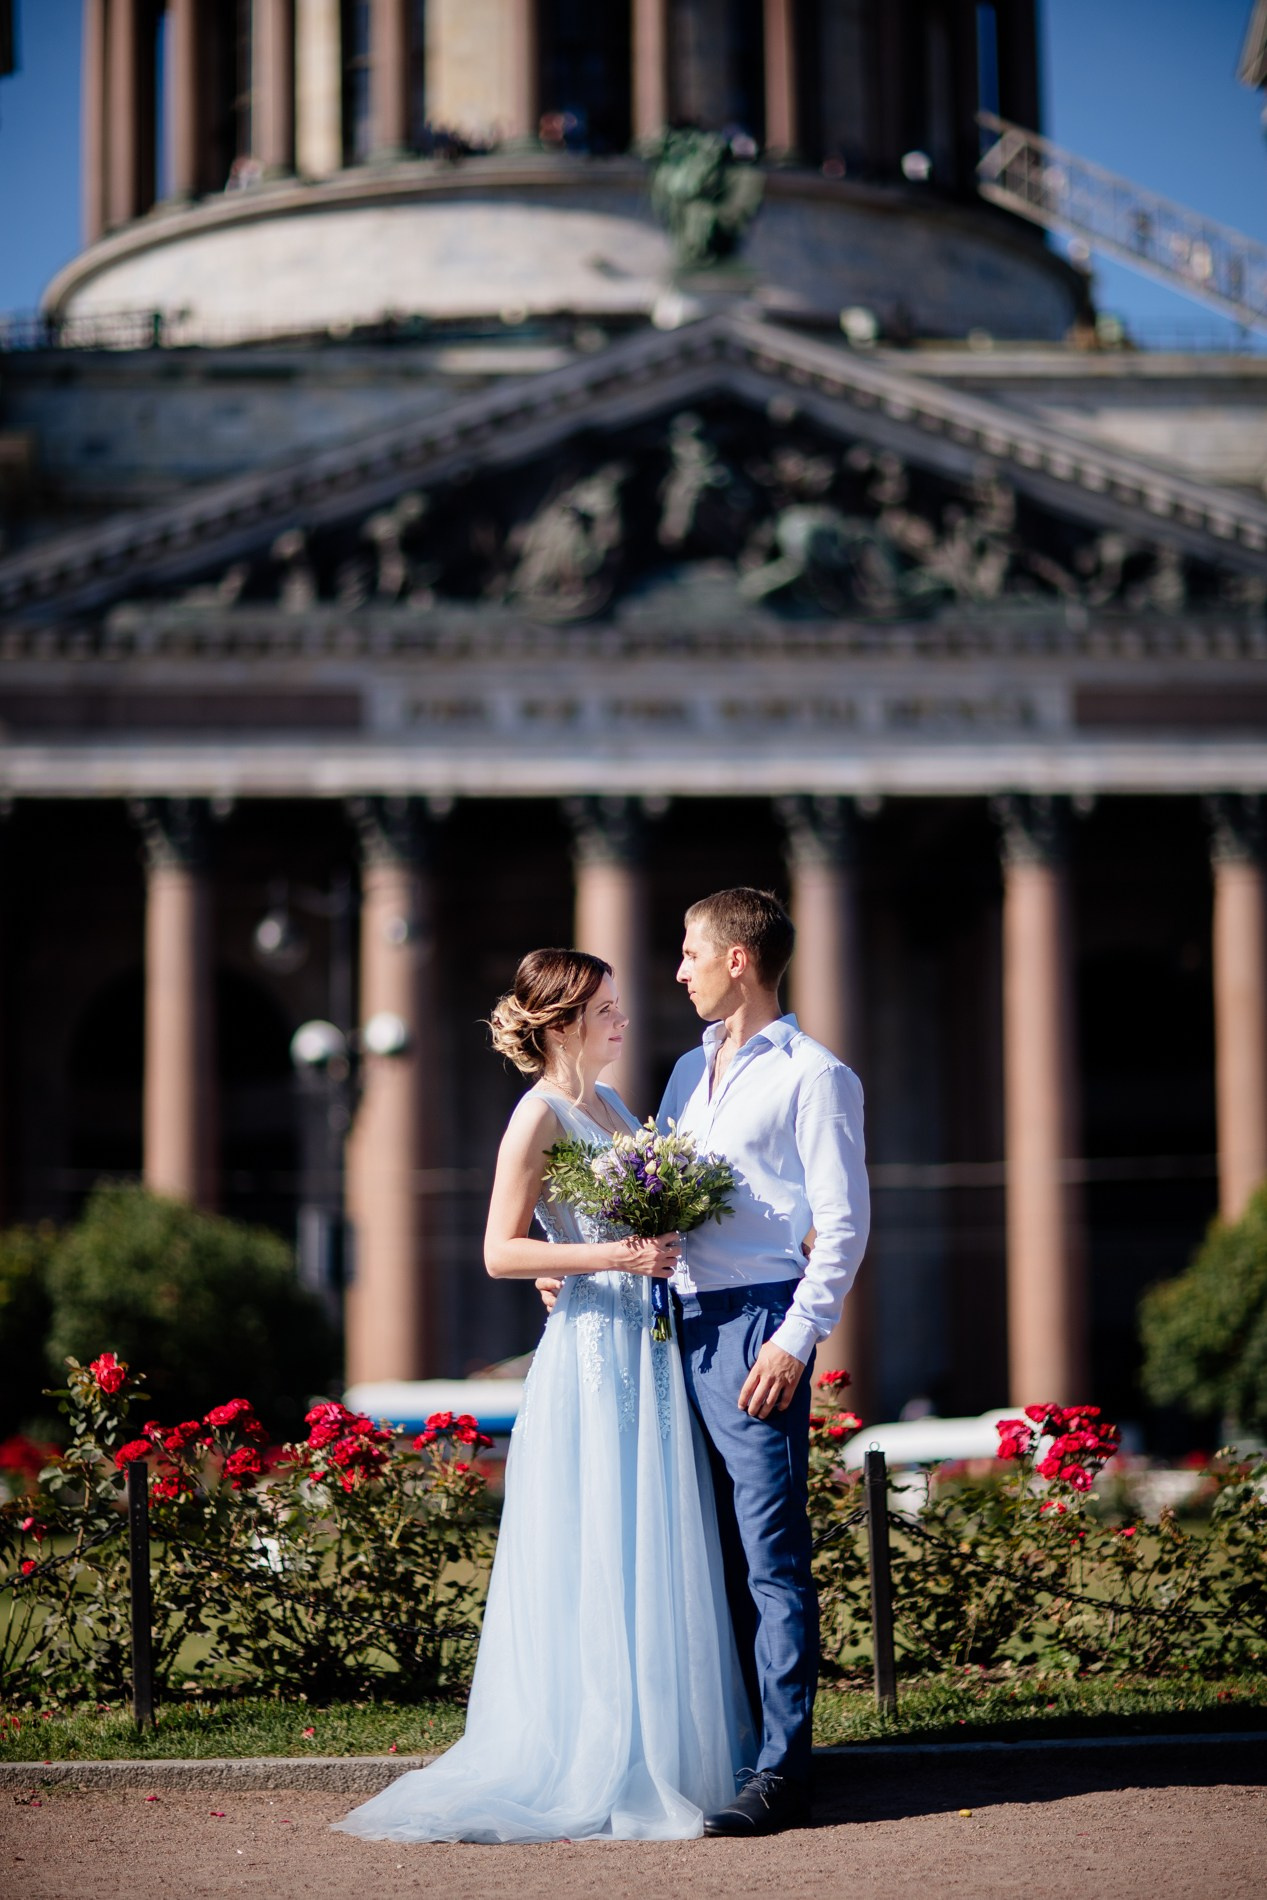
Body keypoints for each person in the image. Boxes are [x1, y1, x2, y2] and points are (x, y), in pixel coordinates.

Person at [333, 948, 751, 1846]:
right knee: (599, 1532)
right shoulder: (539, 1116)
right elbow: (499, 1249)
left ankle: (663, 1747)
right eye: (604, 1008)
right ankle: (586, 1747)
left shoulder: (616, 1108)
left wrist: (649, 1242)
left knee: (649, 1532)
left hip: (643, 1343)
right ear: (560, 1023)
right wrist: (613, 1257)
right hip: (592, 1353)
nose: (621, 1019)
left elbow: (600, 1226)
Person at [540, 888, 869, 1837]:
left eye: (688, 953)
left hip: (756, 1328)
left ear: (736, 960)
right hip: (664, 1326)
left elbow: (841, 1226)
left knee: (769, 1559)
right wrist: (572, 1265)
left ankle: (781, 1771)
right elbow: (651, 1203)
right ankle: (725, 1747)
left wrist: (794, 1338)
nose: (675, 970)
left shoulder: (816, 1075)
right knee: (700, 1552)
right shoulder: (685, 1073)